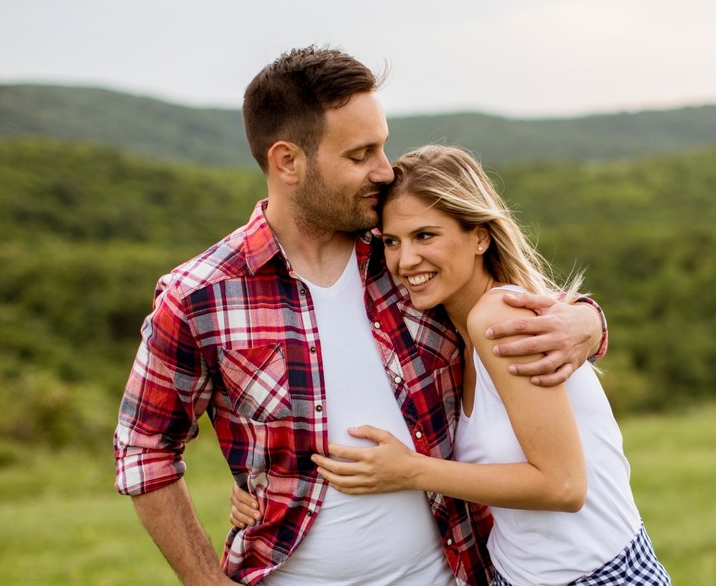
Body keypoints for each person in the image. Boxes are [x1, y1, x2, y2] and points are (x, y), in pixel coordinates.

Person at [113, 47, 608, 586]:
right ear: (288, 162)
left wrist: (587, 323)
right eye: (360, 154)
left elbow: (510, 293)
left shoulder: (406, 257)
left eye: (383, 146)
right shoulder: (201, 297)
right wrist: (205, 581)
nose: (384, 170)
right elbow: (145, 451)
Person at [231, 145, 670, 585]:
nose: (405, 261)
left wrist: (411, 472)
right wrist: (265, 483)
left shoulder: (498, 319)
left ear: (480, 236)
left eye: (426, 236)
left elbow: (563, 487)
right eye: (392, 242)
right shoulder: (449, 336)